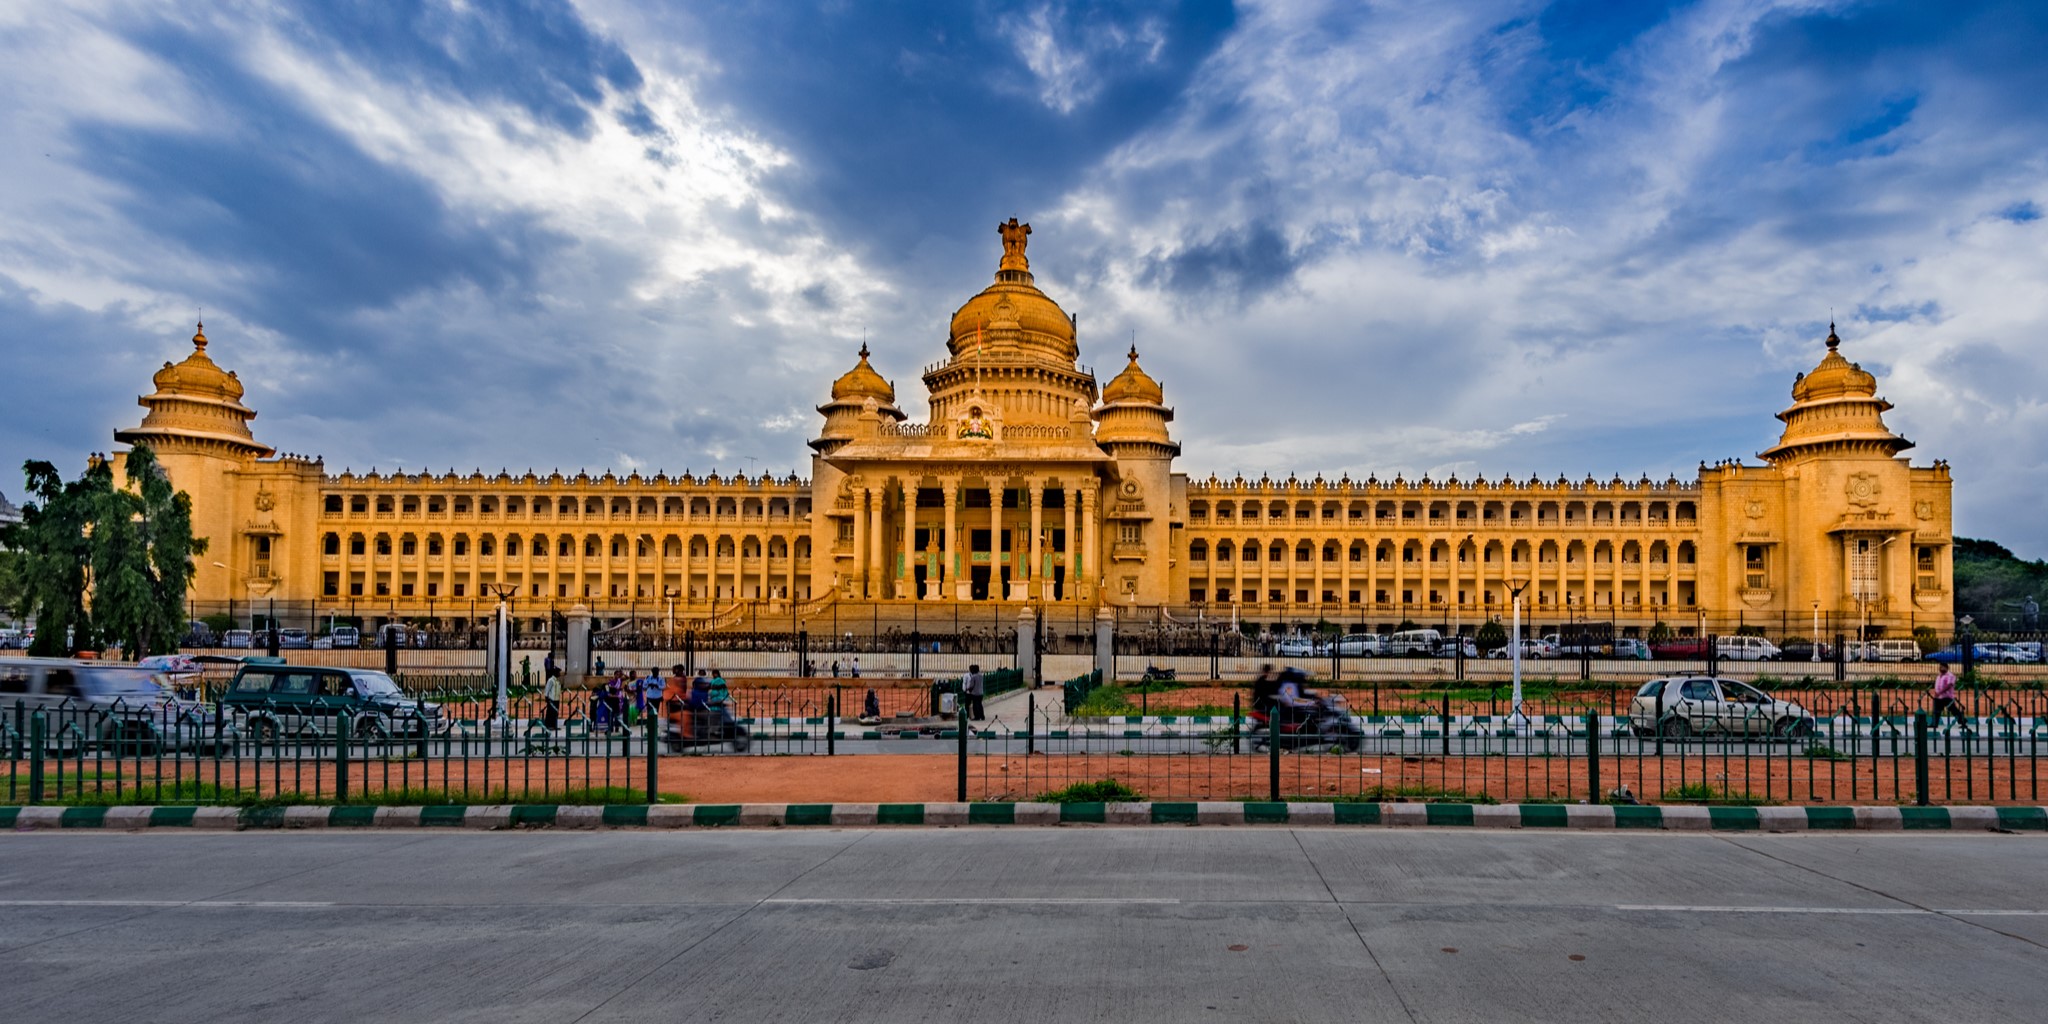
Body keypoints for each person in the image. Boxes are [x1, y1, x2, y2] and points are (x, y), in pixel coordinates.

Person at [1931, 663, 1967, 728]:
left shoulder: (1950, 676)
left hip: (1947, 696)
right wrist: (1936, 693)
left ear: (1947, 668)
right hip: (1938, 697)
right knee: (1936, 711)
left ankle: (1963, 722)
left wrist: (1940, 692)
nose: (1941, 669)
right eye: (1940, 667)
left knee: (1954, 710)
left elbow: (1949, 685)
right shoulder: (1939, 676)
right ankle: (1934, 723)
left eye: (1943, 667)